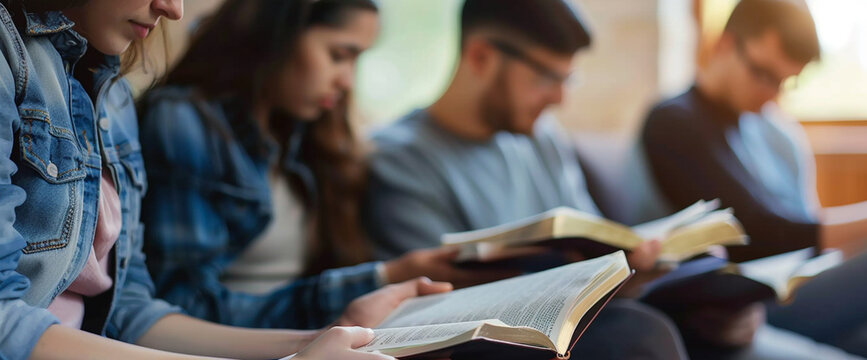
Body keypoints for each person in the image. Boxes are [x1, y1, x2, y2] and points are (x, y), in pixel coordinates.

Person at [0, 0, 446, 358]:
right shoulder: (13, 57)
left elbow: (132, 312)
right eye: (338, 54)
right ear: (280, 36)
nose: (174, 9)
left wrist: (322, 338)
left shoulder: (112, 97)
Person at [364, 1, 689, 359]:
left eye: (567, 80)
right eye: (546, 78)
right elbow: (435, 304)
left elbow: (595, 244)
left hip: (576, 325)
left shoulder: (541, 136)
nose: (560, 98)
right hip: (498, 346)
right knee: (639, 333)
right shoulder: (398, 158)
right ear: (480, 57)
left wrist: (629, 273)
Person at [139, 0, 485, 331]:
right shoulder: (183, 122)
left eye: (355, 62)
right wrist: (383, 277)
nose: (347, 81)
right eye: (338, 55)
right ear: (278, 33)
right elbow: (185, 306)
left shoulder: (295, 132)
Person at [640, 0, 867, 356]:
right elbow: (753, 233)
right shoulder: (674, 122)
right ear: (724, 44)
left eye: (784, 82)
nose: (771, 95)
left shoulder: (775, 133)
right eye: (763, 74)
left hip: (803, 283)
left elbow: (806, 231)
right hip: (751, 305)